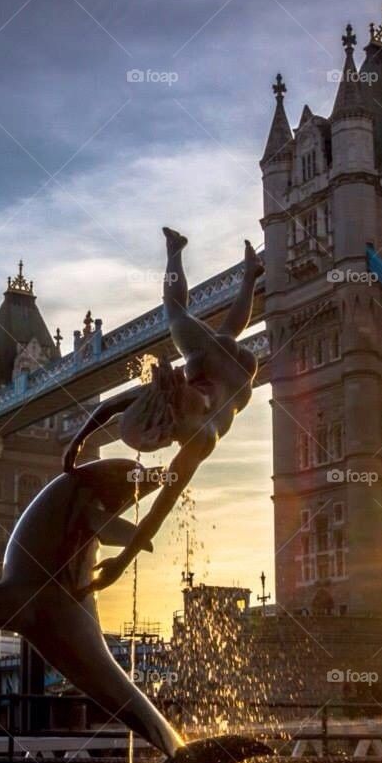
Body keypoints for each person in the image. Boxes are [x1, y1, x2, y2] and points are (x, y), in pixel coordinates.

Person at [67, 228, 264, 595]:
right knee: (180, 316)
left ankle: (238, 270)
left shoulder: (180, 409)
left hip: (228, 377)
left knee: (211, 330)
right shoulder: (192, 429)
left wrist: (76, 443)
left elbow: (111, 406)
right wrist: (123, 563)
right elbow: (161, 505)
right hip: (227, 374)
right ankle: (187, 253)